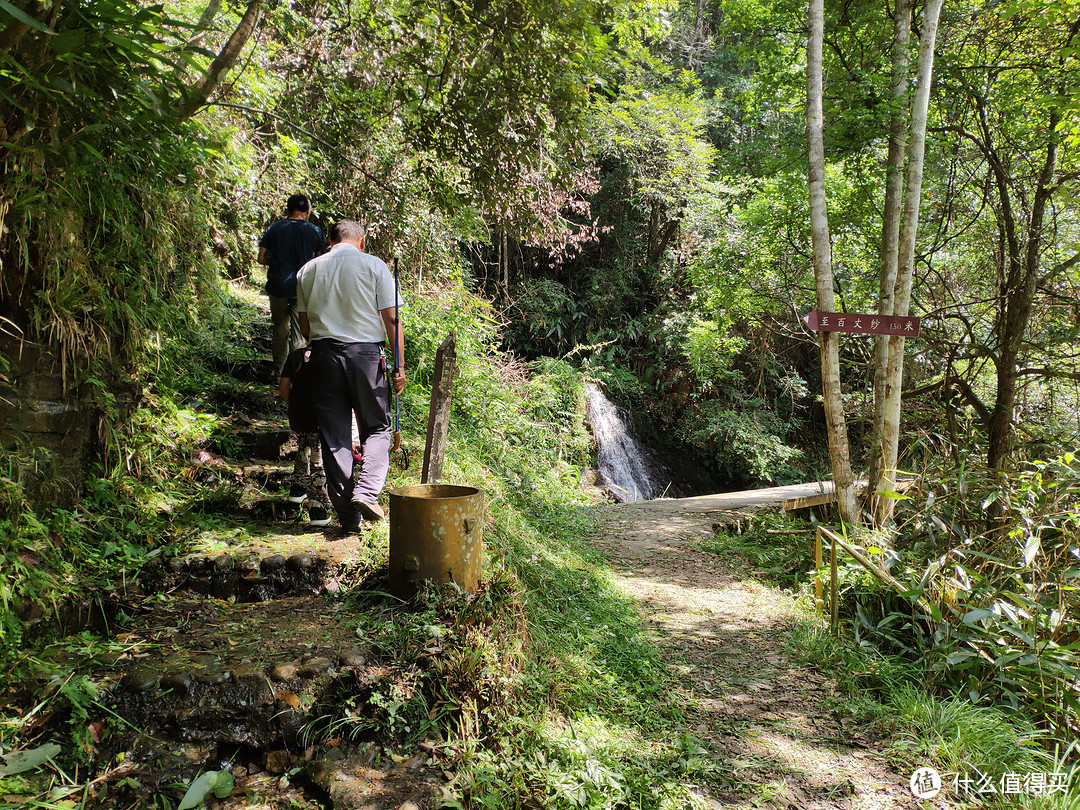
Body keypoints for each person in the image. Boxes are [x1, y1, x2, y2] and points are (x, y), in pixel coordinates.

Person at [296, 220, 406, 531]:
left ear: (330, 241)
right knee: (378, 429)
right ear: (362, 241)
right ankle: (367, 492)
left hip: (322, 357)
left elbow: (305, 328)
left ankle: (348, 518)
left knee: (335, 438)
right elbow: (392, 321)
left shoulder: (309, 270)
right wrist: (399, 366)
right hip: (365, 357)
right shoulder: (374, 266)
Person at [257, 194, 327, 375]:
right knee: (300, 335)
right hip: (303, 288)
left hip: (278, 287)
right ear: (308, 211)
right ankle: (295, 375)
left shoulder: (274, 229)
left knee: (280, 329)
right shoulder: (316, 232)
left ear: (288, 209)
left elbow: (261, 258)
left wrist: (278, 260)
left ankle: (279, 372)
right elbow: (322, 262)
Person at [278, 347, 332, 527]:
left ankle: (297, 489)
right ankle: (318, 508)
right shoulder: (329, 355)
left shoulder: (296, 355)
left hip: (299, 413)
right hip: (320, 413)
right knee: (318, 457)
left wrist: (293, 405)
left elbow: (284, 385)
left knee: (304, 445)